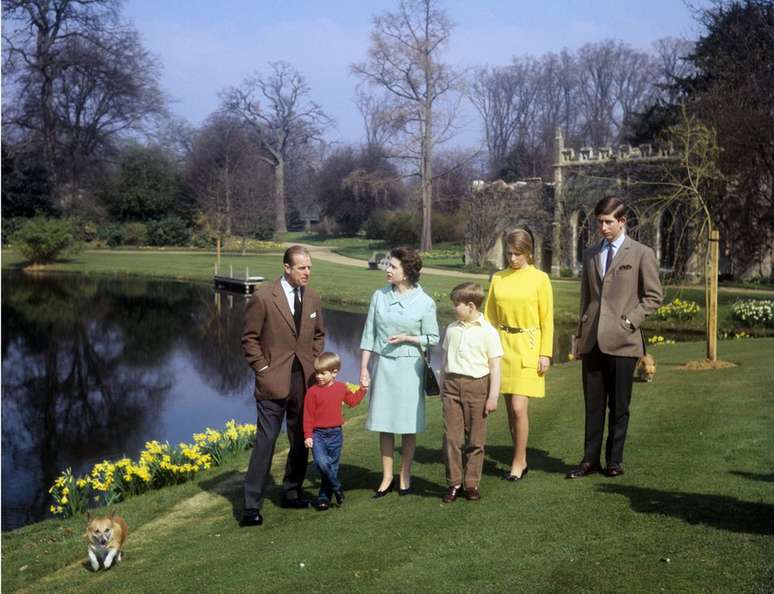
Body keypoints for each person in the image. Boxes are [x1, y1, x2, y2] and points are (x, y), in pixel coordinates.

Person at [566, 196, 663, 479]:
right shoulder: (590, 254)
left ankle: (614, 461)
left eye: (609, 222)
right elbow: (586, 299)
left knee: (619, 407)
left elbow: (654, 297)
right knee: (593, 406)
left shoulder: (641, 253)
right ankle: (589, 460)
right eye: (600, 222)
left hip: (624, 342)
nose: (603, 227)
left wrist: (629, 321)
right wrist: (579, 336)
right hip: (592, 340)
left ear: (623, 221)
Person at [240, 245, 325, 526]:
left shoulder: (312, 296)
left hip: (305, 380)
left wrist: (312, 361)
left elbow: (319, 335)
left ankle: (292, 492)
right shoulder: (264, 297)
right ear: (286, 268)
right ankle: (251, 506)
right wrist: (263, 369)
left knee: (301, 438)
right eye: (302, 267)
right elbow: (249, 339)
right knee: (265, 442)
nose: (307, 272)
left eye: (309, 267)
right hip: (272, 380)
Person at [359, 247, 439, 497]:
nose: (387, 269)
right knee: (384, 423)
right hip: (383, 366)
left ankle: (405, 474)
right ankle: (386, 477)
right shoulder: (378, 296)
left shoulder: (425, 302)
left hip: (409, 368)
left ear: (406, 273)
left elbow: (433, 337)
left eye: (392, 266)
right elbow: (368, 336)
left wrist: (408, 338)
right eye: (387, 265)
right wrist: (363, 368)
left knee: (407, 425)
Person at [484, 229, 554, 481]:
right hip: (502, 349)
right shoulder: (498, 278)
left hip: (529, 347)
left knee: (518, 407)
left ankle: (517, 461)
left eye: (517, 254)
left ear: (528, 253)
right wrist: (486, 351)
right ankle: (521, 458)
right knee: (509, 410)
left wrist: (545, 353)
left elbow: (547, 319)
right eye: (509, 253)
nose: (512, 258)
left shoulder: (540, 279)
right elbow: (489, 319)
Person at [440, 282, 503, 503]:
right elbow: (445, 359)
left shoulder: (488, 332)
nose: (453, 308)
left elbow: (495, 366)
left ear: (470, 306)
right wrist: (442, 386)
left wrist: (493, 396)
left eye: (456, 304)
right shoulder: (451, 329)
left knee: (475, 440)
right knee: (452, 438)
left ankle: (471, 483)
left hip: (478, 388)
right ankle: (454, 483)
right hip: (451, 387)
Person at [303, 352, 368, 511]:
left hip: (335, 434)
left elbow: (352, 401)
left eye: (322, 373)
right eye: (317, 373)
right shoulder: (312, 392)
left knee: (332, 466)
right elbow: (308, 416)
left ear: (334, 372)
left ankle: (324, 497)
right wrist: (308, 435)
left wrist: (363, 389)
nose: (318, 376)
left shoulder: (340, 388)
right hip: (318, 434)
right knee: (321, 462)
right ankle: (337, 487)